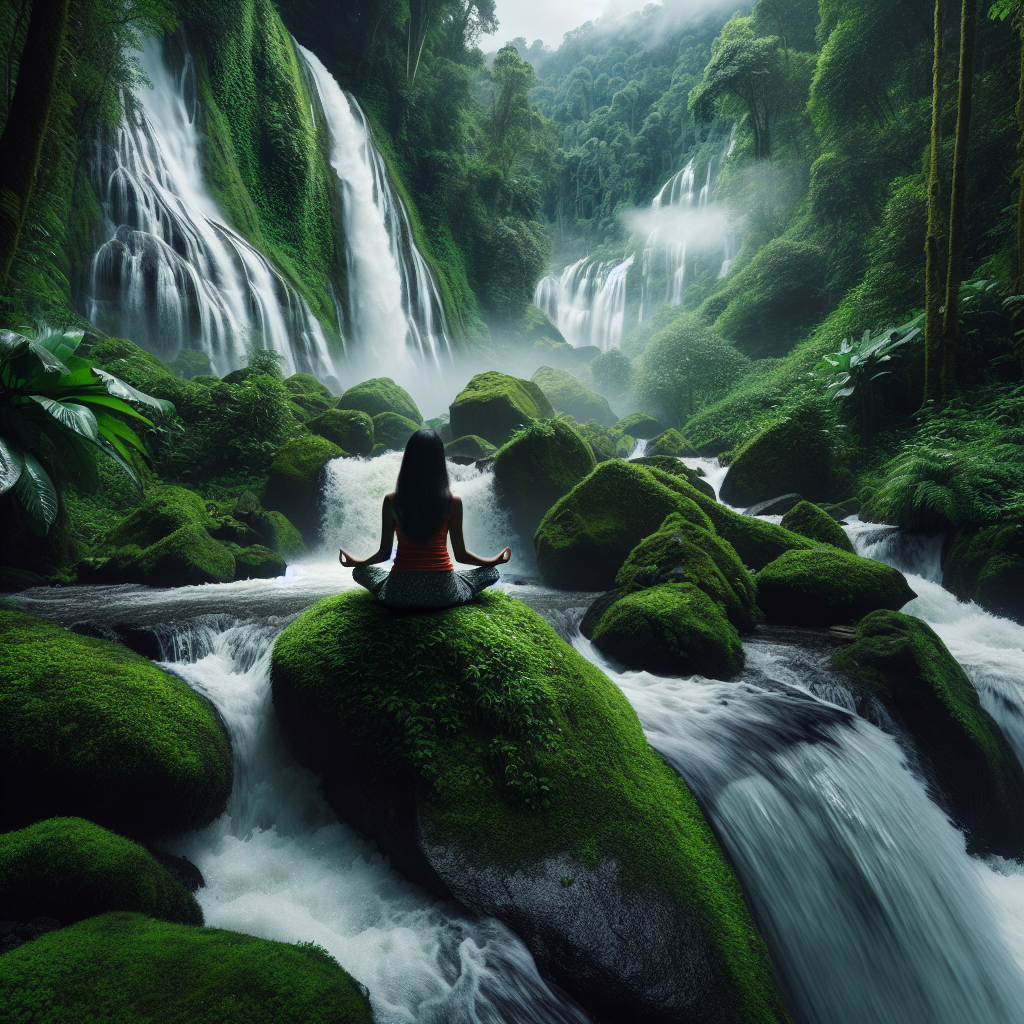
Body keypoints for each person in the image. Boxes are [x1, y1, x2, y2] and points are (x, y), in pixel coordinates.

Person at [339, 428, 511, 610]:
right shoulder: (452, 501)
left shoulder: (391, 501)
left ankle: (387, 586)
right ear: (439, 461)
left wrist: (356, 563)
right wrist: (493, 561)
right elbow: (460, 555)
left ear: (408, 459)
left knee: (361, 572)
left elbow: (384, 554)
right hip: (443, 592)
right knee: (490, 572)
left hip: (400, 593)